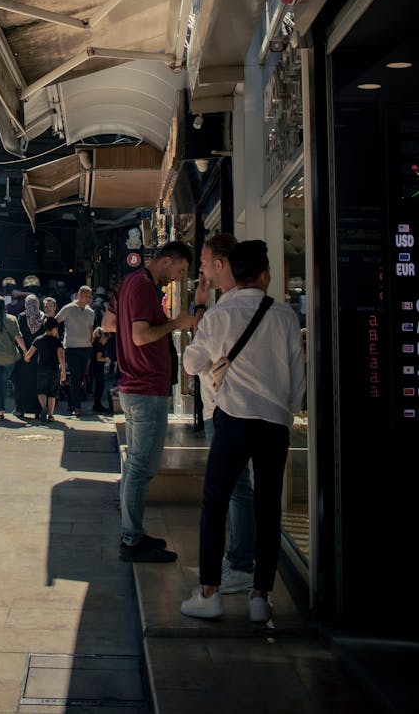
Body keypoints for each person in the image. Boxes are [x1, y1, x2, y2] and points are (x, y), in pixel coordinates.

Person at [180, 240, 306, 623]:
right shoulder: (285, 316)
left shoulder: (220, 314)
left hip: (233, 418)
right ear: (265, 274)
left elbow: (190, 363)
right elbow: (297, 380)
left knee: (215, 502)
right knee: (268, 509)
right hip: (274, 424)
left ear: (233, 271)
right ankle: (260, 598)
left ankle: (209, 594)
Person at [116, 241, 194, 562]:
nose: (178, 277)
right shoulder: (143, 286)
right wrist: (176, 324)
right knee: (140, 467)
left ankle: (133, 534)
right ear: (165, 261)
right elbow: (139, 336)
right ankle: (132, 539)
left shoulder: (135, 284)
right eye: (179, 270)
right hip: (145, 390)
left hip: (141, 388)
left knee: (137, 465)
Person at [189, 233, 256, 595]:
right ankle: (250, 571)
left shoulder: (222, 311)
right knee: (243, 489)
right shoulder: (267, 309)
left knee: (232, 491)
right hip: (256, 412)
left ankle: (239, 564)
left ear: (219, 264)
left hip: (225, 410)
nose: (200, 268)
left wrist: (200, 309)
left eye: (203, 261)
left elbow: (192, 361)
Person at [56, 285, 95, 417]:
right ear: (79, 295)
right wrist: (56, 338)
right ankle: (76, 406)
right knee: (76, 377)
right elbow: (56, 321)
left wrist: (91, 345)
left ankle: (72, 404)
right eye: (86, 296)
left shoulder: (91, 312)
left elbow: (91, 330)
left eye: (90, 297)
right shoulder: (68, 308)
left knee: (79, 378)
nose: (88, 299)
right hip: (71, 348)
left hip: (86, 348)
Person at [24, 315, 67, 421]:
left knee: (41, 391)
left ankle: (43, 407)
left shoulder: (38, 339)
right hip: (54, 370)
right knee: (52, 392)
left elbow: (29, 354)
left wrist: (27, 358)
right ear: (54, 329)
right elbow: (61, 357)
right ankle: (51, 415)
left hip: (41, 369)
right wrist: (63, 371)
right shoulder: (57, 342)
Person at [15, 293, 46, 419]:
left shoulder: (22, 317)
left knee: (21, 382)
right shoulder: (42, 317)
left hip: (24, 354)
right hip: (38, 354)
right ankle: (37, 410)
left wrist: (24, 351)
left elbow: (18, 335)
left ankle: (20, 409)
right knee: (37, 383)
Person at [90, 326, 111, 413]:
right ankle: (97, 405)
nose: (106, 342)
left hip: (94, 368)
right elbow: (98, 358)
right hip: (98, 369)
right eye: (106, 339)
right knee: (99, 387)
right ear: (103, 337)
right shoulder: (99, 346)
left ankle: (97, 404)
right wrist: (106, 359)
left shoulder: (94, 344)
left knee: (98, 387)